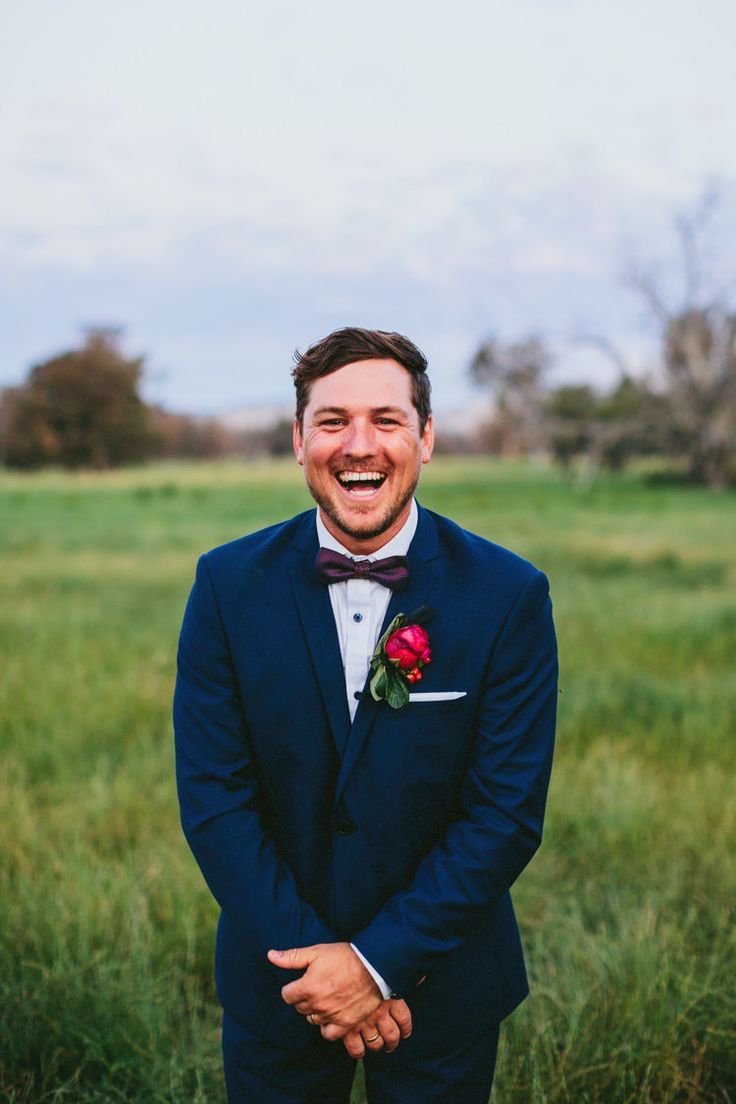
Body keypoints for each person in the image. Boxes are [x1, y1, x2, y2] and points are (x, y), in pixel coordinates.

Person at [173, 327, 558, 1103]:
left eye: (386, 420)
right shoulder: (224, 586)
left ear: (426, 437)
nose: (360, 445)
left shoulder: (510, 595)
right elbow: (216, 801)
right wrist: (323, 970)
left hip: (442, 986)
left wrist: (379, 965)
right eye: (332, 420)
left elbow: (505, 814)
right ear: (297, 439)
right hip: (280, 981)